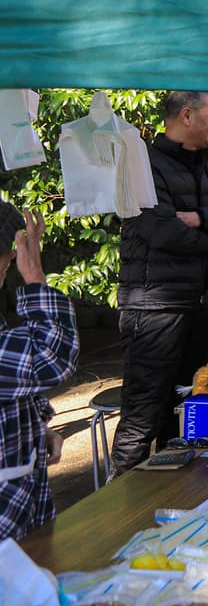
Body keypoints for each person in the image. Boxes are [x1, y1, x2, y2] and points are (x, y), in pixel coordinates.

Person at [111, 91, 208, 476]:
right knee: (144, 411)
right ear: (187, 115)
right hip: (154, 308)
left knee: (187, 406)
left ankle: (169, 495)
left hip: (199, 303)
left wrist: (198, 217)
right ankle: (118, 503)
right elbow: (162, 232)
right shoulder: (143, 167)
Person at [0, 201, 78, 542]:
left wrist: (36, 428)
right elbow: (52, 358)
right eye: (4, 266)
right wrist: (34, 278)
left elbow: (14, 386)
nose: (5, 275)